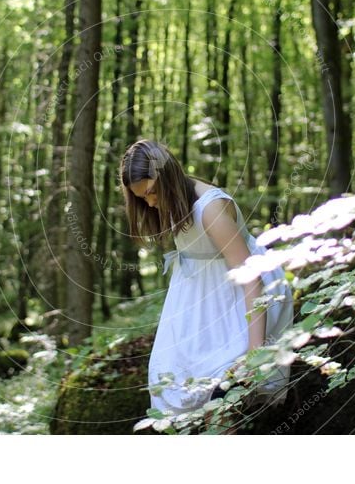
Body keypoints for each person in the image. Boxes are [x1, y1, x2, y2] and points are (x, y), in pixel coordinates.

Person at [119, 139, 294, 430]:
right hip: (201, 294)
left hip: (242, 297)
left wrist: (256, 351)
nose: (149, 202)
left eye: (151, 193)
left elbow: (252, 278)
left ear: (167, 177)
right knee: (170, 376)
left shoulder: (210, 210)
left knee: (221, 389)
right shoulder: (175, 197)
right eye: (141, 198)